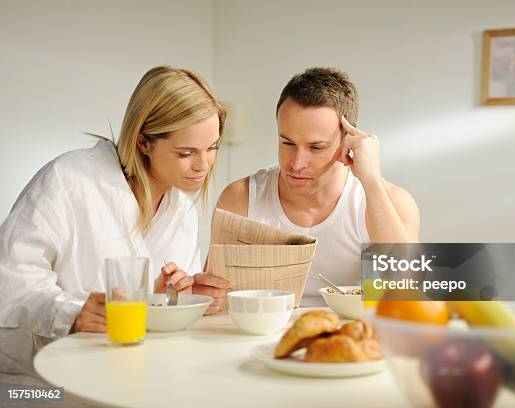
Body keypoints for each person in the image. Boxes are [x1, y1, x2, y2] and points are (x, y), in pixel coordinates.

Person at [0, 66, 227, 384]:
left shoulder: (182, 213)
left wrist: (173, 299)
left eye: (212, 148)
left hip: (134, 379)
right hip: (42, 386)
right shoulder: (69, 180)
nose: (203, 165)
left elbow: (152, 317)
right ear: (144, 142)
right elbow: (9, 289)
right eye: (186, 153)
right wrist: (73, 315)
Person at [206, 67, 420, 306]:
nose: (296, 163)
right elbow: (214, 303)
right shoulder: (241, 198)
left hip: (349, 337)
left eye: (316, 148)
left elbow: (410, 291)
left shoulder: (392, 201)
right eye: (287, 143)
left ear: (347, 142)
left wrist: (371, 181)